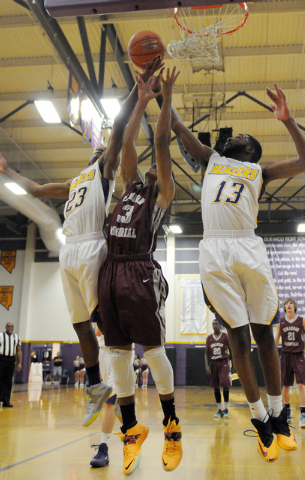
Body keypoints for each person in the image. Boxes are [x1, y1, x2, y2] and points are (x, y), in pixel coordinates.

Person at [0, 59, 162, 427]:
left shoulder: (104, 171)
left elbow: (120, 130)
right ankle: (94, 385)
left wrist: (137, 96)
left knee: (104, 321)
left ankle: (138, 359)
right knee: (79, 325)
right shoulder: (76, 182)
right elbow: (39, 190)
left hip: (91, 247)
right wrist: (9, 173)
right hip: (68, 251)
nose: (101, 150)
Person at [170, 82, 305, 462]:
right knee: (236, 334)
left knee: (263, 332)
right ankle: (260, 419)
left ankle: (279, 413)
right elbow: (180, 130)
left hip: (247, 245)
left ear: (250, 150)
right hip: (214, 247)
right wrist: (162, 95)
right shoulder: (212, 160)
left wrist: (289, 121)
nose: (231, 137)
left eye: (239, 137)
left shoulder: (259, 170)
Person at [98, 67, 182, 475]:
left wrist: (164, 99)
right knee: (116, 357)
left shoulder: (162, 195)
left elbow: (161, 144)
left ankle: (171, 424)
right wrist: (141, 100)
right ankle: (131, 431)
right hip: (110, 272)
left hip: (139, 274)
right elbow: (127, 141)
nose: (151, 168)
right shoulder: (129, 184)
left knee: (151, 352)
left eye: (158, 168)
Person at [274, 298, 305, 429]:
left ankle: (303, 415)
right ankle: (287, 411)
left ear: (295, 306)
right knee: (285, 386)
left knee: (300, 385)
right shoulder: (280, 322)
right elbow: (276, 341)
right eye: (287, 303)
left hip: (298, 356)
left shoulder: (302, 320)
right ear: (284, 307)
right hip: (285, 356)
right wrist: (272, 358)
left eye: (291, 303)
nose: (289, 305)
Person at [90, 325, 122, 468]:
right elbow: (97, 331)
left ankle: (103, 448)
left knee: (110, 401)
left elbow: (98, 329)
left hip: (120, 351)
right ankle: (134, 428)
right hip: (103, 352)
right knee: (114, 406)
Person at [205, 316, 232, 419]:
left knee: (225, 384)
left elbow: (231, 350)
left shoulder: (225, 336)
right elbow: (206, 353)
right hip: (213, 363)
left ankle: (226, 409)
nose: (215, 325)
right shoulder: (209, 338)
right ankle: (219, 409)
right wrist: (207, 365)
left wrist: (233, 364)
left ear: (220, 325)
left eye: (216, 323)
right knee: (216, 387)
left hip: (224, 362)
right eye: (213, 324)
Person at [0, 322, 22, 407]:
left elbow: (19, 351)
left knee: (8, 381)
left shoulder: (16, 337)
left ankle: (6, 401)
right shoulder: (1, 335)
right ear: (5, 327)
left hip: (11, 360)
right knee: (0, 380)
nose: (10, 328)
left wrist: (19, 363)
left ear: (13, 328)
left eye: (11, 326)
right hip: (2, 358)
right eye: (8, 326)